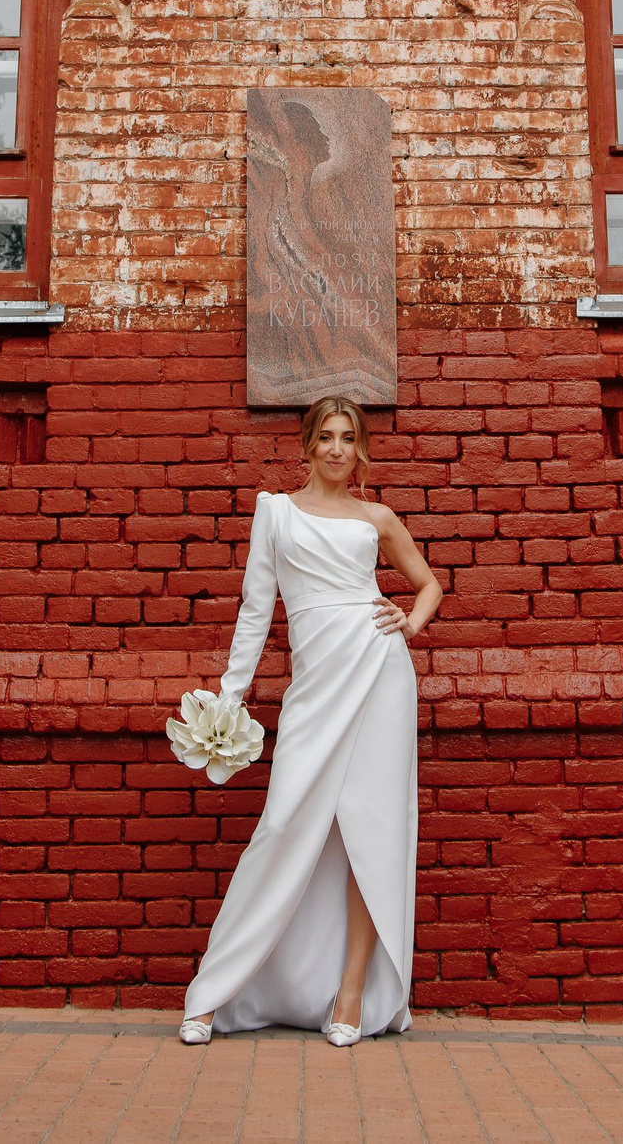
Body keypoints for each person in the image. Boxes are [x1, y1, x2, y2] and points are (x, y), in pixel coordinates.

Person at [178, 395, 443, 1047]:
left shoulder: (376, 516)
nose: (335, 447)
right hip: (316, 684)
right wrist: (230, 697)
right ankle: (212, 991)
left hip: (380, 673)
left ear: (360, 449)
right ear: (306, 444)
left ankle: (351, 992)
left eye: (347, 436)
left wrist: (408, 622)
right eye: (325, 435)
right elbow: (254, 610)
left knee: (372, 834)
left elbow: (430, 582)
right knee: (283, 823)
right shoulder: (275, 513)